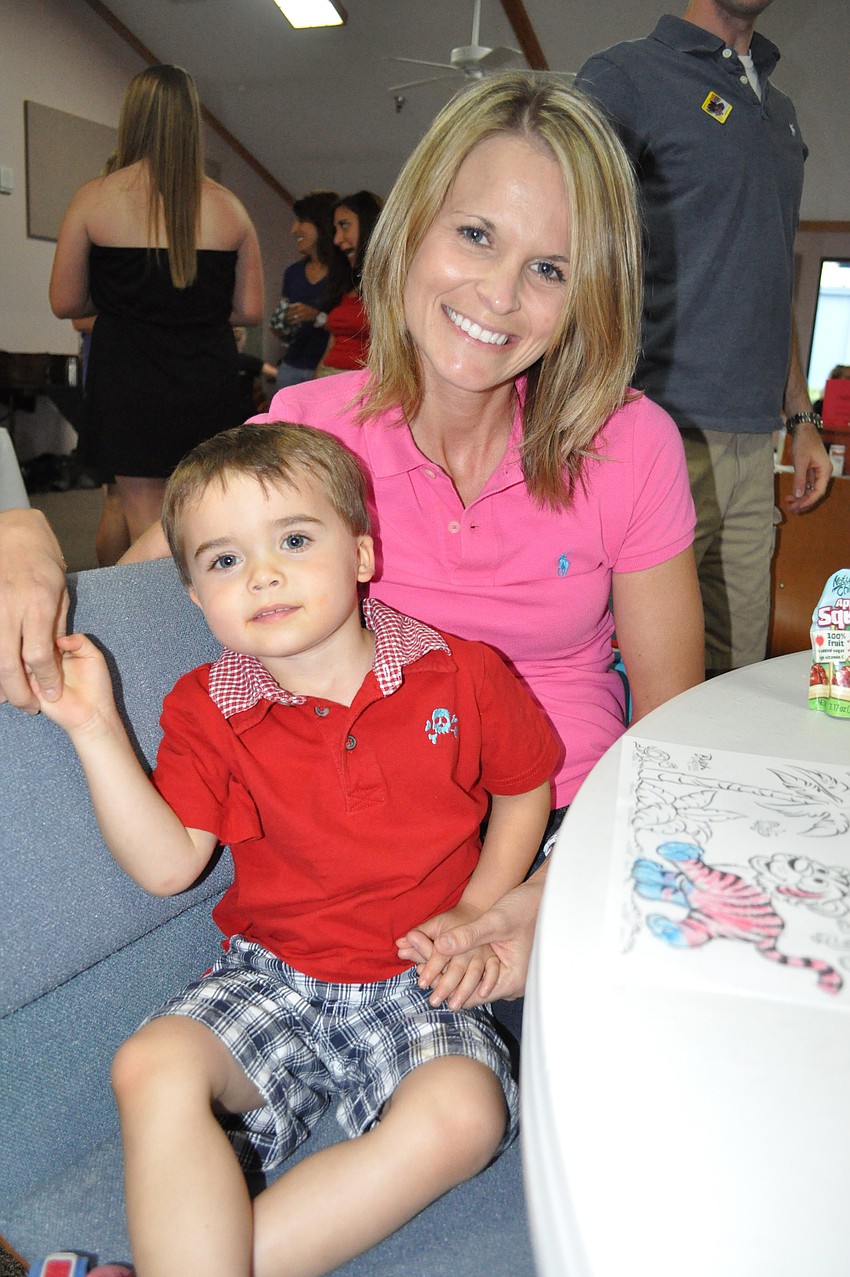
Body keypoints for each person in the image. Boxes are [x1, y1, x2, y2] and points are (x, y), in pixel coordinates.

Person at [0, 72, 704, 1003]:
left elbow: (669, 729)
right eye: (476, 234)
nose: (498, 293)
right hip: (374, 854)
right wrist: (22, 535)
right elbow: (150, 571)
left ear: (590, 294)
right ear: (413, 227)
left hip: (567, 824)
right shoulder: (309, 432)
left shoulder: (630, 441)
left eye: (551, 268)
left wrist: (548, 891)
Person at [32, 421, 558, 1277]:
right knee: (150, 1062)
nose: (263, 574)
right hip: (275, 975)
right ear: (195, 597)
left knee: (466, 1113)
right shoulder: (205, 706)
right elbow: (169, 865)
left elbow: (524, 786)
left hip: (420, 979)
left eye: (295, 540)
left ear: (362, 553)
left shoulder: (463, 672)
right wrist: (94, 727)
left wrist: (479, 907)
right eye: (224, 559)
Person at [576, 0, 831, 677]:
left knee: (734, 677)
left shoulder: (779, 111)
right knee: (638, 675)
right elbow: (569, 242)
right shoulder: (625, 77)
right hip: (648, 429)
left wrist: (801, 417)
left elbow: (771, 277)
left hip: (753, 445)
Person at [49, 64, 264, 542]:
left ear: (132, 118)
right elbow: (249, 310)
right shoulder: (229, 206)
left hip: (128, 374)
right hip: (206, 376)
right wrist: (188, 306)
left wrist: (129, 299)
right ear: (192, 122)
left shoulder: (94, 198)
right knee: (203, 513)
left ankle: (155, 593)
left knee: (145, 519)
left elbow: (65, 301)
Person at [271, 190, 339, 392]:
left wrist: (316, 316)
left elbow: (353, 325)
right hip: (291, 368)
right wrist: (281, 324)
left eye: (301, 221)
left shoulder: (344, 274)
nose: (294, 229)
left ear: (321, 224)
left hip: (330, 371)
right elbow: (284, 330)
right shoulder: (293, 272)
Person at [315, 191, 382, 376]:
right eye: (335, 230)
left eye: (344, 225)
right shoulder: (347, 284)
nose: (337, 239)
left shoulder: (391, 289)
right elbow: (333, 342)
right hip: (327, 378)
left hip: (364, 383)